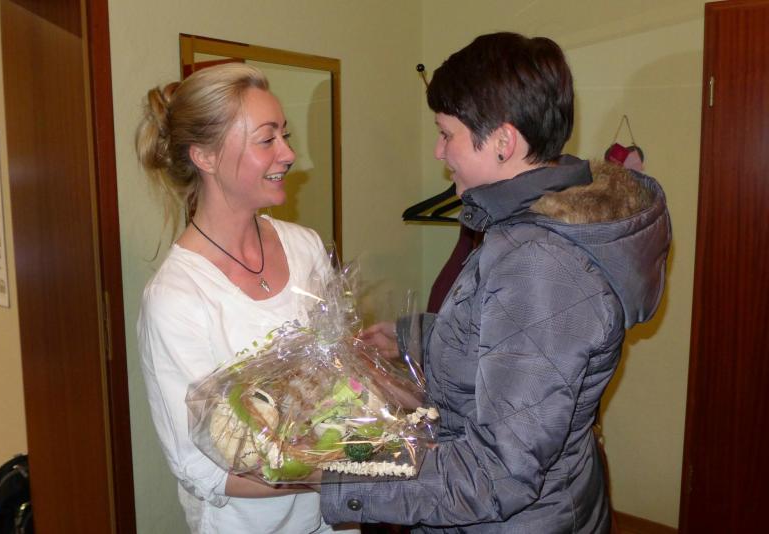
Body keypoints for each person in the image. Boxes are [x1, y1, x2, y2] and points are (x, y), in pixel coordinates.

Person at [320, 32, 671, 533]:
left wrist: (335, 475)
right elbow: (507, 339)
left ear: (504, 142)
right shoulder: (534, 226)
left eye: (447, 134)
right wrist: (412, 335)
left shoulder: (540, 262)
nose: (438, 151)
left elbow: (495, 475)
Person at [135, 63, 358, 534]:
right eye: (266, 139)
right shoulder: (177, 298)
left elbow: (340, 380)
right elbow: (200, 469)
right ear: (205, 156)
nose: (289, 154)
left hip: (332, 523)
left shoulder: (305, 247)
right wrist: (340, 474)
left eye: (285, 135)